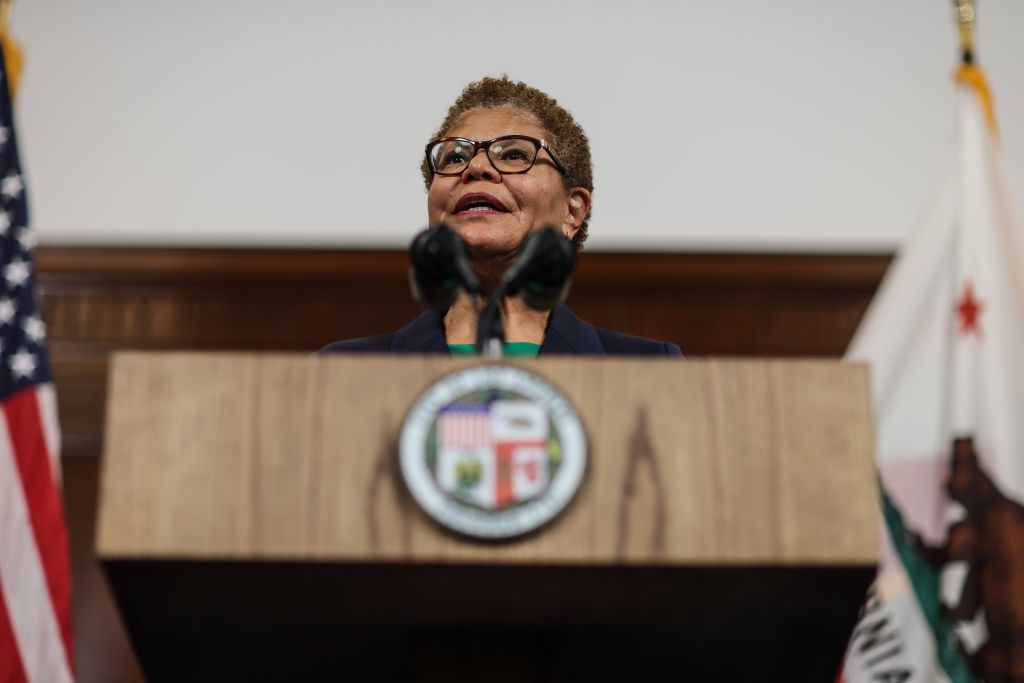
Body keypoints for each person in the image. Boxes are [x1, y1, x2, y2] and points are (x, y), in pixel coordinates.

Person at [321, 76, 681, 357]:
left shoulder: (646, 366)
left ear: (573, 210)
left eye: (512, 155)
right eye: (455, 158)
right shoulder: (342, 369)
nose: (476, 167)